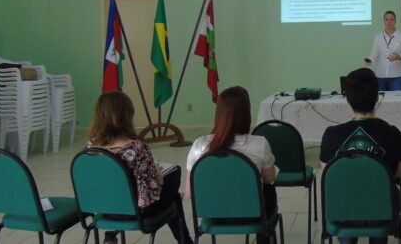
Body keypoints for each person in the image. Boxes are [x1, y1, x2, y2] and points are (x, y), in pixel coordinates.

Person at [86, 91, 193, 244]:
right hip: (136, 212)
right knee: (174, 180)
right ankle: (185, 241)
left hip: (104, 210)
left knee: (171, 190)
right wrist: (158, 176)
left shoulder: (90, 148)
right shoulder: (136, 148)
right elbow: (148, 193)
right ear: (127, 116)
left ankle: (111, 235)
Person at [319, 67, 401, 244]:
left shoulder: (331, 135)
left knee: (345, 199)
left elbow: (329, 173)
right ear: (377, 97)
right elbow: (398, 173)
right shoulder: (392, 134)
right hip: (381, 211)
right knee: (383, 199)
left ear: (347, 98)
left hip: (343, 211)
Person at [186, 86, 278, 244]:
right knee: (268, 190)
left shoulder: (199, 146)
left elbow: (189, 193)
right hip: (253, 214)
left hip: (213, 215)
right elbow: (270, 178)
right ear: (246, 113)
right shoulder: (259, 144)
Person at [366, 10, 401, 91]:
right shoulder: (378, 37)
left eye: (391, 19)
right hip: (380, 77)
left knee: (397, 101)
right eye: (386, 19)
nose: (389, 22)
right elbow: (374, 55)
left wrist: (399, 57)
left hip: (397, 77)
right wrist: (370, 60)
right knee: (381, 102)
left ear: (395, 21)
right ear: (384, 21)